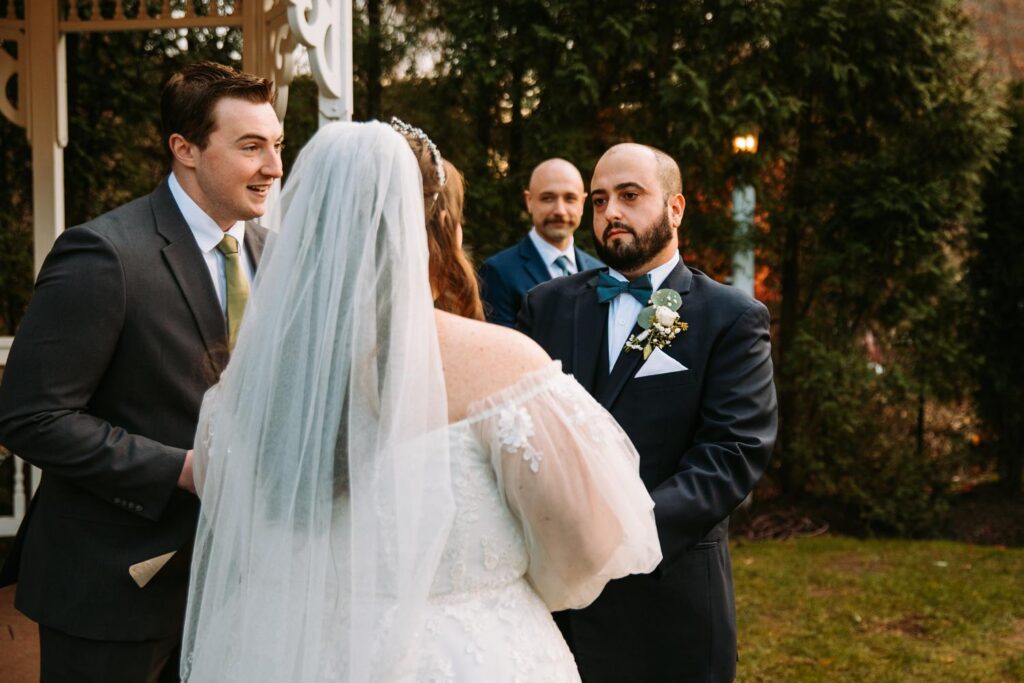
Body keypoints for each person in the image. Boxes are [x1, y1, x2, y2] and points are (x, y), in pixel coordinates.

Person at [180, 121, 661, 682]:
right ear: (438, 232)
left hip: (277, 654)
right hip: (464, 656)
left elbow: (234, 526)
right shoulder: (504, 366)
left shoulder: (244, 386)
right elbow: (591, 545)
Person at [0, 62, 283, 681]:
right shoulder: (104, 253)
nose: (274, 168)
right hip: (112, 588)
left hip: (237, 591)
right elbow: (31, 417)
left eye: (277, 145)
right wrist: (180, 469)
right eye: (251, 147)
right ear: (184, 149)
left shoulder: (271, 253)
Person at [518, 143, 778, 682]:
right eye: (599, 200)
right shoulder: (545, 306)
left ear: (676, 209)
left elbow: (732, 453)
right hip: (555, 612)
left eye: (629, 196)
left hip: (670, 606)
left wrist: (620, 535)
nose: (610, 212)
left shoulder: (728, 317)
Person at [480, 159, 602, 326]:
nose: (560, 210)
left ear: (582, 203)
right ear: (529, 201)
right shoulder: (498, 271)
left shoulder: (599, 271)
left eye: (570, 198)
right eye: (548, 198)